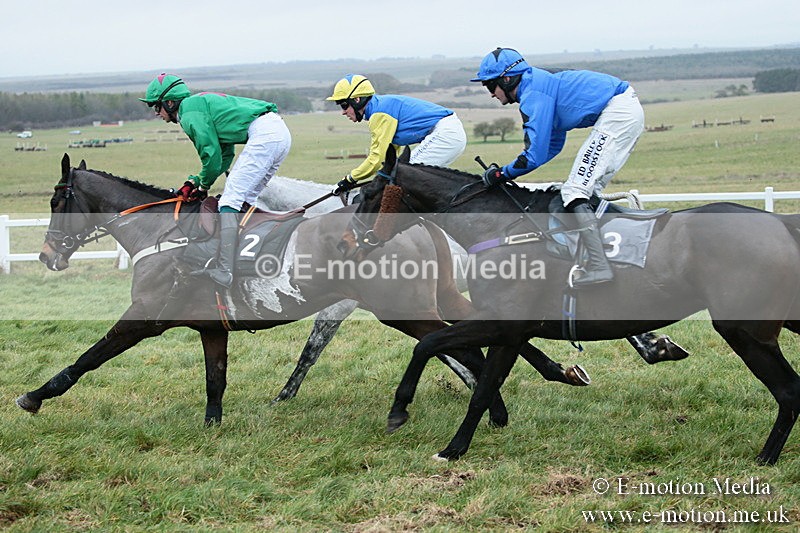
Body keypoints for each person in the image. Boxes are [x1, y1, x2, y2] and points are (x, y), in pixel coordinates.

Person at [471, 48, 644, 287]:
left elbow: (534, 155)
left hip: (619, 112)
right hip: (624, 109)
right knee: (584, 192)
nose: (491, 94)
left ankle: (599, 265)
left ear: (506, 79)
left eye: (490, 86)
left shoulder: (533, 94)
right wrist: (507, 171)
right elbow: (551, 146)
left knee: (574, 191)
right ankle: (608, 253)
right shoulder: (536, 86)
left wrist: (501, 174)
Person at [140, 73, 292, 288]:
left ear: (170, 102)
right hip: (278, 134)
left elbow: (211, 159)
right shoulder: (197, 106)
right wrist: (197, 182)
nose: (156, 112)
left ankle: (225, 269)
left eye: (156, 106)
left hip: (265, 135)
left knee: (230, 200)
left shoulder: (188, 113)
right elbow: (224, 156)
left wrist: (202, 185)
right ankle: (244, 258)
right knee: (244, 199)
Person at [326, 74, 467, 195]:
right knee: (402, 175)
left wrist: (349, 179)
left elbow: (376, 159)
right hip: (448, 133)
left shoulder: (379, 113)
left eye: (344, 105)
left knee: (403, 176)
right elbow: (390, 153)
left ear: (357, 100)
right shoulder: (379, 108)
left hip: (445, 134)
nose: (343, 112)